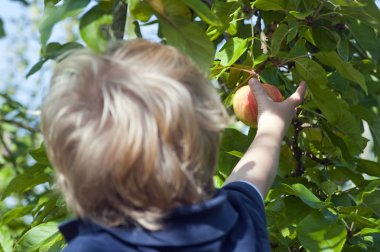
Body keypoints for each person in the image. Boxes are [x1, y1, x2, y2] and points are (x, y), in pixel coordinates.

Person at [41, 39, 306, 251]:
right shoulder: (237, 224)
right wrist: (271, 128)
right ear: (207, 142)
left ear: (68, 175)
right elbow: (252, 180)